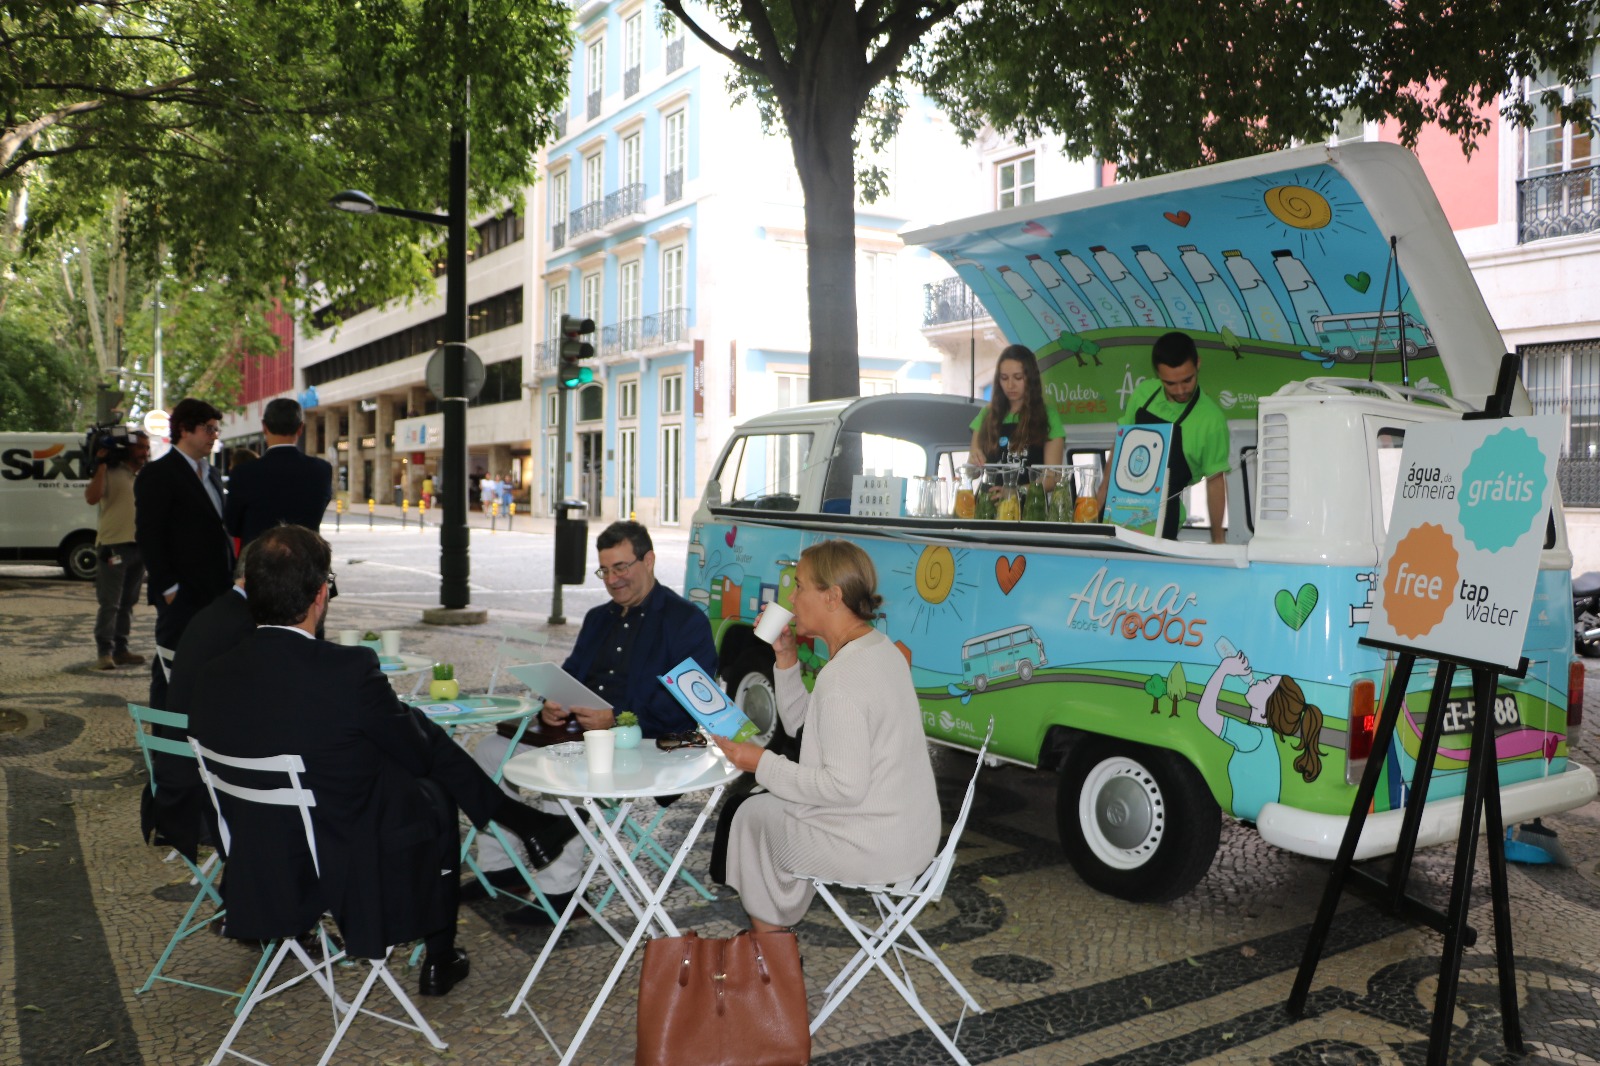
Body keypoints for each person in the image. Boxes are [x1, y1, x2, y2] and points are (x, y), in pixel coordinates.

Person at [187, 524, 578, 995]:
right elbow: (415, 754)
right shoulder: (345, 671)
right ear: (319, 596)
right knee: (432, 791)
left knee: (402, 747)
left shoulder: (213, 675)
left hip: (257, 854)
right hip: (341, 857)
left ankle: (522, 824)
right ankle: (441, 952)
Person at [468, 520, 717, 924]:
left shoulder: (685, 621)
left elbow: (688, 707)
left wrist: (615, 719)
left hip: (644, 743)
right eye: (605, 571)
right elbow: (571, 675)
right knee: (488, 753)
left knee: (560, 769)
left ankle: (559, 892)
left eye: (622, 567)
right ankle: (503, 867)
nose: (613, 580)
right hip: (576, 733)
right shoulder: (599, 618)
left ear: (649, 560)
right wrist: (552, 702)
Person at [712, 540, 938, 932]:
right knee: (757, 811)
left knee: (749, 817)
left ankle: (770, 957)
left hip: (878, 843)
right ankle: (773, 942)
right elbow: (807, 727)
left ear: (832, 597)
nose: (792, 598)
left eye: (800, 586)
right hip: (911, 830)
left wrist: (759, 762)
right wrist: (785, 658)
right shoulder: (876, 649)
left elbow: (843, 787)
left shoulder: (844, 676)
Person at [134, 398, 235, 708]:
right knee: (170, 667)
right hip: (181, 593)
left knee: (210, 666)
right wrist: (168, 588)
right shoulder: (158, 474)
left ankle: (201, 734)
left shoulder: (212, 474)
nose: (214, 435)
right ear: (184, 429)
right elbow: (149, 535)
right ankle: (165, 744)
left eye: (217, 429)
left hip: (217, 589)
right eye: (208, 429)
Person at [1101, 331, 1230, 542]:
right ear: (1158, 375)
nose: (1180, 390)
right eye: (1170, 383)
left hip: (1164, 520)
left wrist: (1218, 539)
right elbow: (1121, 445)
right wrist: (1101, 496)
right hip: (1119, 508)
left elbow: (1215, 481)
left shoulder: (1211, 420)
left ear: (1198, 364)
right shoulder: (1144, 393)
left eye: (1187, 380)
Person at [1195, 651, 1325, 820]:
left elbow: (1205, 713)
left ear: (1270, 705)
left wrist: (1223, 669)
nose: (1258, 680)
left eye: (1266, 682)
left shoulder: (1253, 738)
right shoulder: (1263, 735)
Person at [223, 398, 335, 548]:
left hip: (259, 561)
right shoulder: (322, 469)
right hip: (307, 561)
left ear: (264, 426)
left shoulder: (243, 473)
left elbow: (232, 526)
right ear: (300, 428)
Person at [85, 428, 150, 670]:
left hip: (139, 546)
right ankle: (104, 652)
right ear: (127, 448)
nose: (144, 452)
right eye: (140, 447)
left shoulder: (143, 475)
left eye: (146, 447)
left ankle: (121, 650)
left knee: (128, 602)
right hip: (113, 545)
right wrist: (101, 464)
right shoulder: (111, 472)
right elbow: (91, 498)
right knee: (110, 602)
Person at [967, 344, 1065, 482]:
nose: (1010, 385)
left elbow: (1052, 477)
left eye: (1018, 377)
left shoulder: (1049, 416)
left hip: (1030, 502)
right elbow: (972, 473)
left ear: (1031, 378)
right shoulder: (986, 414)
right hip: (990, 500)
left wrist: (1015, 492)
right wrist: (973, 463)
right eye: (1004, 378)